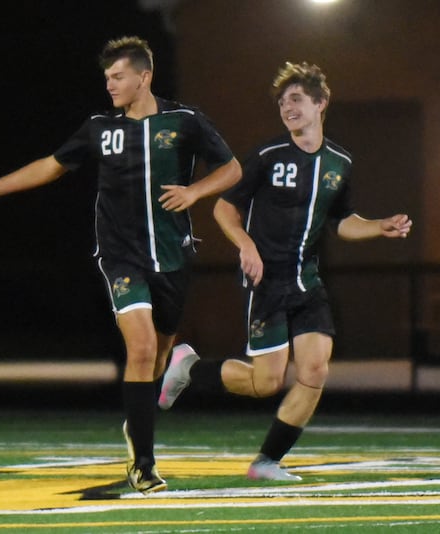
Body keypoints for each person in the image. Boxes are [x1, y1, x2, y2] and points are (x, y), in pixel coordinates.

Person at [0, 36, 241, 494]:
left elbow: (232, 169)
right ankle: (143, 464)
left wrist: (195, 192)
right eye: (107, 78)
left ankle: (139, 421)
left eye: (118, 76)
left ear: (144, 77)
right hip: (120, 255)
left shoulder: (185, 120)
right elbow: (50, 166)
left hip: (172, 255)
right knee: (141, 348)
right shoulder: (100, 127)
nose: (110, 85)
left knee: (158, 355)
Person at [158, 61, 413, 481]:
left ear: (321, 103)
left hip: (307, 282)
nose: (287, 107)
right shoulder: (268, 155)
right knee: (266, 383)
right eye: (281, 102)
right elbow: (224, 208)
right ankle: (189, 368)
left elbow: (341, 221)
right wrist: (247, 246)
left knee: (315, 371)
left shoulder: (340, 161)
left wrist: (378, 226)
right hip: (267, 281)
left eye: (295, 99)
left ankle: (267, 462)